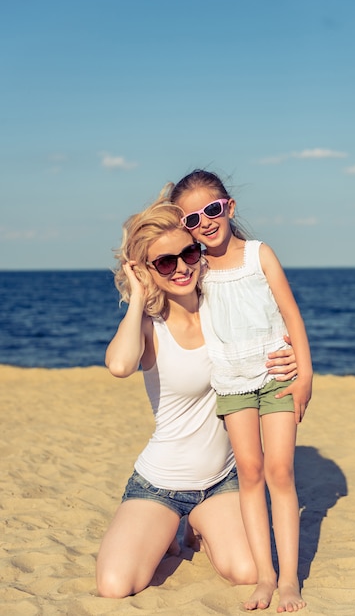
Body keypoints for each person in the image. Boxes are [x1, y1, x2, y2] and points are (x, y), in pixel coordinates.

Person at [96, 200, 298, 603]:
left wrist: (288, 353)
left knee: (245, 572)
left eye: (188, 253)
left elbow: (271, 330)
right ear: (149, 270)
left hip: (222, 482)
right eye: (165, 263)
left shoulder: (222, 310)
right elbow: (119, 365)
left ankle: (195, 529)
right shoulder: (151, 328)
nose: (182, 267)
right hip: (159, 485)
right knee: (115, 586)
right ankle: (170, 527)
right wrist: (137, 295)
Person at [168, 170, 312, 613]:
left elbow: (291, 313)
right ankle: (265, 576)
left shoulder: (259, 255)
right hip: (231, 384)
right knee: (249, 473)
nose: (205, 222)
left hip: (276, 377)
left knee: (280, 472)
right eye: (191, 218)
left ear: (228, 207)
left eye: (211, 210)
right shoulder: (196, 269)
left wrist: (304, 376)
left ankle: (288, 580)